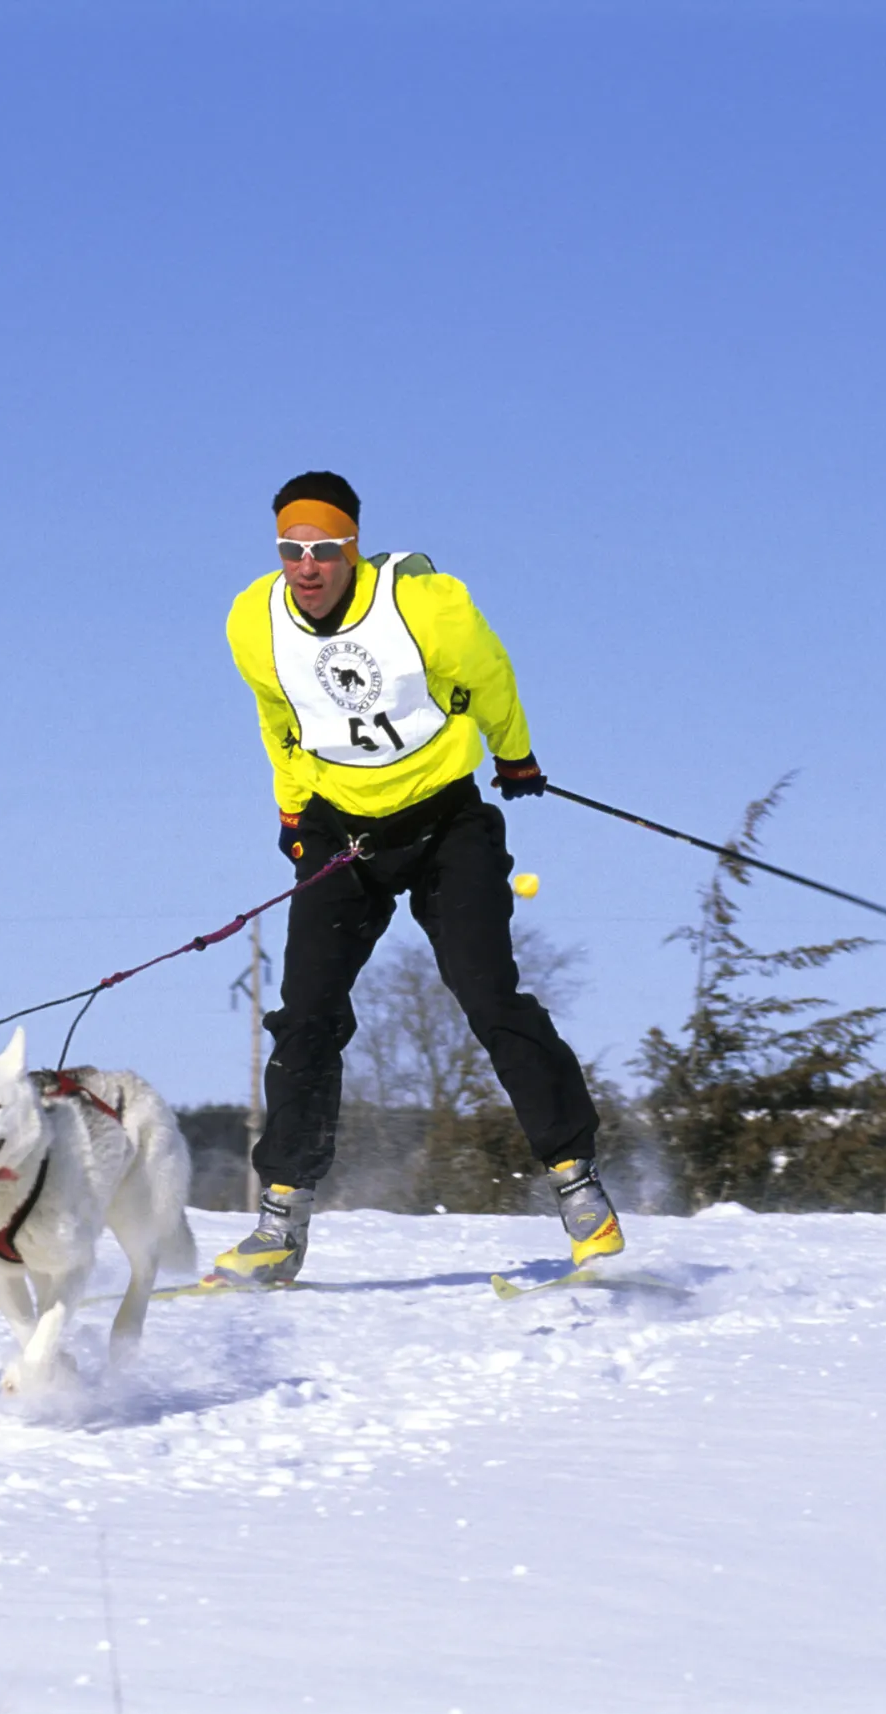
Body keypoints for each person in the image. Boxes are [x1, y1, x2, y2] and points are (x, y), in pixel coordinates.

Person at [213, 471, 622, 1286]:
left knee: (487, 994)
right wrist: (293, 812)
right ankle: (280, 1221)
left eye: (324, 550)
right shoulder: (250, 621)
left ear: (352, 548)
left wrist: (514, 752)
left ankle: (576, 1179)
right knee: (306, 1017)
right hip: (341, 831)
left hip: (444, 821)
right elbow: (280, 717)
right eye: (291, 550)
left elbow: (492, 672)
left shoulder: (426, 605)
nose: (306, 567)